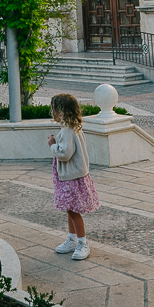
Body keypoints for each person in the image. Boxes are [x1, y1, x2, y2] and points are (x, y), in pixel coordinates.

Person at [47, 93, 100, 261]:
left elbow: (65, 154)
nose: (52, 112)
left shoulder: (67, 131)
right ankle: (72, 238)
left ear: (61, 111)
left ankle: (82, 242)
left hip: (71, 177)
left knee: (74, 210)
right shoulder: (74, 128)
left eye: (54, 109)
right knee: (70, 209)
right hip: (74, 176)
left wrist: (53, 145)